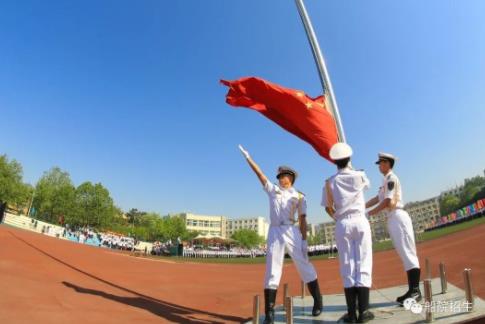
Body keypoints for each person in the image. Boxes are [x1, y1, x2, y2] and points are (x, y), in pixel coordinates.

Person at [238, 145, 323, 323]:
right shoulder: (273, 191)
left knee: (304, 265)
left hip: (292, 230)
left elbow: (303, 219)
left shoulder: (299, 196)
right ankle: (269, 313)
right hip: (275, 231)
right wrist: (248, 158)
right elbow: (260, 175)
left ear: (290, 178)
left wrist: (305, 240)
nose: (280, 179)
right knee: (272, 270)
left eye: (283, 176)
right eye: (279, 176)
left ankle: (317, 300)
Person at [322, 143, 374, 323]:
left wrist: (338, 218)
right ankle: (364, 311)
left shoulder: (329, 182)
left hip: (342, 222)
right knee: (363, 263)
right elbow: (367, 184)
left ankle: (351, 314)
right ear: (349, 158)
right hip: (360, 220)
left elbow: (328, 207)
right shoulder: (360, 175)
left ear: (334, 161)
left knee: (347, 265)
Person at [366, 153, 421, 305]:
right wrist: (361, 207)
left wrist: (369, 213)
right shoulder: (385, 181)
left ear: (388, 164)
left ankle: (416, 291)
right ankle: (412, 290)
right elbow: (377, 198)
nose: (379, 166)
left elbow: (388, 201)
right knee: (404, 254)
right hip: (392, 218)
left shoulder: (391, 178)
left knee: (408, 253)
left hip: (398, 216)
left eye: (381, 163)